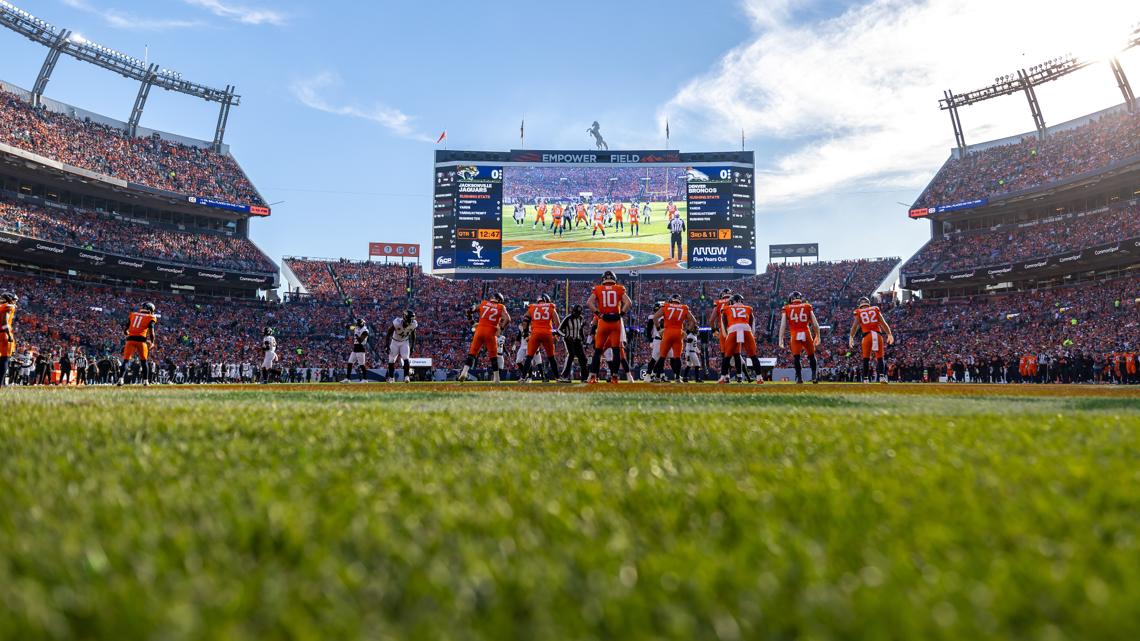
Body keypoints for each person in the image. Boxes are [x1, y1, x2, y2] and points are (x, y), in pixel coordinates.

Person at [587, 271, 631, 384]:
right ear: (614, 279)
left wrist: (598, 314)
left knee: (597, 351)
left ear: (603, 279)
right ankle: (614, 377)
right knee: (616, 350)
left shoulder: (598, 289)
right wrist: (621, 314)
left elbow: (589, 303)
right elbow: (628, 302)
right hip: (615, 322)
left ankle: (592, 376)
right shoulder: (619, 288)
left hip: (603, 322)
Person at [459, 292, 510, 382]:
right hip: (491, 331)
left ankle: (464, 372)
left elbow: (469, 310)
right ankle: (497, 378)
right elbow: (507, 319)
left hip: (479, 330)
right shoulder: (500, 307)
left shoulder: (483, 303)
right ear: (499, 300)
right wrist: (501, 328)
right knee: (493, 356)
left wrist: (472, 322)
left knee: (472, 353)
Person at [719, 293, 765, 384]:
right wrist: (752, 333)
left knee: (727, 356)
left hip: (733, 329)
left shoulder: (727, 308)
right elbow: (752, 322)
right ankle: (759, 378)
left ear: (732, 301)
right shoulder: (748, 308)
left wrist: (726, 334)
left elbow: (723, 320)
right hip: (746, 328)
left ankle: (723, 378)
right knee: (753, 356)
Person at [651, 294, 697, 381]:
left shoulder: (666, 306)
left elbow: (655, 317)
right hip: (678, 333)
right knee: (677, 357)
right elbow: (693, 321)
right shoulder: (684, 308)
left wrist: (659, 329)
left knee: (662, 356)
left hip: (667, 332)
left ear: (671, 300)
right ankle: (677, 377)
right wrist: (686, 332)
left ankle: (657, 377)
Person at [849, 297, 894, 383]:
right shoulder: (875, 309)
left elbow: (855, 326)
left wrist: (851, 337)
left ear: (859, 305)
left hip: (867, 336)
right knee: (880, 358)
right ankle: (881, 377)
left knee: (866, 359)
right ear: (868, 303)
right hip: (877, 335)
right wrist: (889, 334)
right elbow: (883, 323)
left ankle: (865, 379)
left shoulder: (858, 312)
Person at [778, 291, 820, 384]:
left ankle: (799, 378)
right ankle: (814, 376)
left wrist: (780, 339)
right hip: (806, 332)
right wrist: (818, 335)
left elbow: (783, 325)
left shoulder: (786, 308)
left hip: (795, 334)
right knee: (811, 355)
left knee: (796, 357)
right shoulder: (807, 306)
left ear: (791, 299)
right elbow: (815, 324)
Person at [520, 294, 560, 382]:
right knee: (551, 357)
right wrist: (557, 334)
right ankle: (557, 378)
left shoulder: (532, 307)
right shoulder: (550, 306)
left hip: (535, 334)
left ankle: (522, 378)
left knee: (529, 357)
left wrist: (526, 333)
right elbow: (557, 322)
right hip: (547, 333)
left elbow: (525, 320)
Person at [118, 302, 158, 387]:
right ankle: (145, 381)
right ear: (150, 310)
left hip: (130, 339)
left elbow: (125, 330)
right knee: (144, 361)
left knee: (126, 360)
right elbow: (151, 332)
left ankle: (120, 379)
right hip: (141, 341)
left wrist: (127, 333)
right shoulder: (151, 317)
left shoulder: (133, 314)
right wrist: (152, 342)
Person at [557, 304, 588, 382]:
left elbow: (580, 330)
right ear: (573, 311)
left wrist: (583, 339)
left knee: (583, 358)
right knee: (571, 355)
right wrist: (566, 336)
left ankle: (584, 378)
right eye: (576, 313)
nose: (577, 315)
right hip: (569, 339)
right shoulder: (568, 318)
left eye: (579, 313)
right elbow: (559, 330)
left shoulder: (581, 318)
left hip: (577, 340)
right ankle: (564, 376)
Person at [385, 309, 418, 383]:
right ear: (405, 317)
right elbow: (388, 333)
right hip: (394, 342)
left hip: (404, 342)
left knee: (406, 358)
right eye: (410, 318)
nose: (411, 321)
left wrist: (412, 346)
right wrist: (387, 345)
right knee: (391, 360)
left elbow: (413, 335)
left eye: (412, 319)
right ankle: (391, 378)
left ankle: (406, 377)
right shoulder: (397, 322)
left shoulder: (413, 324)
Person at [642, 301, 663, 381]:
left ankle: (658, 375)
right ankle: (649, 375)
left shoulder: (665, 316)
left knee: (662, 358)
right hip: (657, 339)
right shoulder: (652, 317)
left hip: (664, 339)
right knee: (655, 358)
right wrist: (650, 340)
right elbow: (648, 330)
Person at [0, 291, 16, 387]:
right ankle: (1, 384)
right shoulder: (8, 307)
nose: (14, 302)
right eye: (14, 300)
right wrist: (9, 335)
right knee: (5, 360)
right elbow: (4, 322)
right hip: (4, 335)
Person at [347, 318, 370, 382]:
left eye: (358, 324)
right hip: (355, 348)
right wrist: (346, 325)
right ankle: (347, 379)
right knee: (350, 362)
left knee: (361, 365)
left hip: (360, 347)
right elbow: (349, 327)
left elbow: (360, 340)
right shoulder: (356, 328)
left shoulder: (365, 331)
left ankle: (365, 379)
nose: (357, 325)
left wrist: (356, 334)